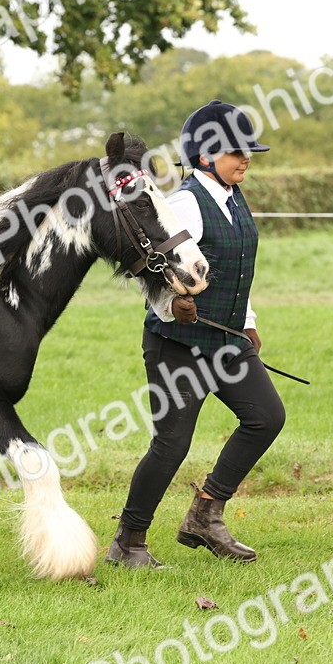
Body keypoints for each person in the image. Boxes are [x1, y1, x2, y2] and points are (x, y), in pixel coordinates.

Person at [106, 100, 286, 568]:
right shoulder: (186, 201)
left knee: (266, 417)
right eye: (235, 152)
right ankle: (128, 541)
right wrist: (171, 303)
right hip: (176, 345)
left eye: (249, 152)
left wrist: (248, 321)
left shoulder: (234, 196)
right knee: (171, 444)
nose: (245, 159)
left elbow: (240, 267)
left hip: (228, 340)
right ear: (205, 155)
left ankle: (206, 513)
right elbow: (153, 271)